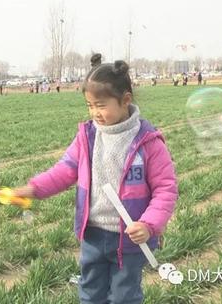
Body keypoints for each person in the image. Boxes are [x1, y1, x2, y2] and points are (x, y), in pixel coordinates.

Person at [13, 60, 178, 304]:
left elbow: (166, 190)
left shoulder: (148, 142)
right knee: (90, 293)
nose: (94, 113)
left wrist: (149, 224)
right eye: (89, 106)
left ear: (125, 100)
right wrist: (34, 188)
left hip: (130, 238)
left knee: (125, 296)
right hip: (92, 234)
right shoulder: (87, 137)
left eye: (100, 105)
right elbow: (64, 170)